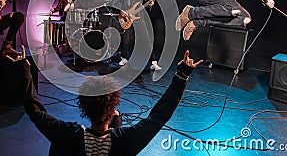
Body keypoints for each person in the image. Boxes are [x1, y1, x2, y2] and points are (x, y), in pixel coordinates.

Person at [23, 49, 202, 155]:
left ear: (83, 106)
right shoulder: (126, 140)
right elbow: (159, 116)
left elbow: (35, 112)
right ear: (114, 106)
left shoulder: (67, 135)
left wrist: (25, 73)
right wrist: (181, 76)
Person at [109, 0, 161, 70]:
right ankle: (124, 58)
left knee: (147, 41)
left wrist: (150, 5)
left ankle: (154, 62)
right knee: (125, 40)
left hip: (139, 19)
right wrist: (119, 11)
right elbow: (111, 4)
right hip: (127, 19)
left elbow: (146, 5)